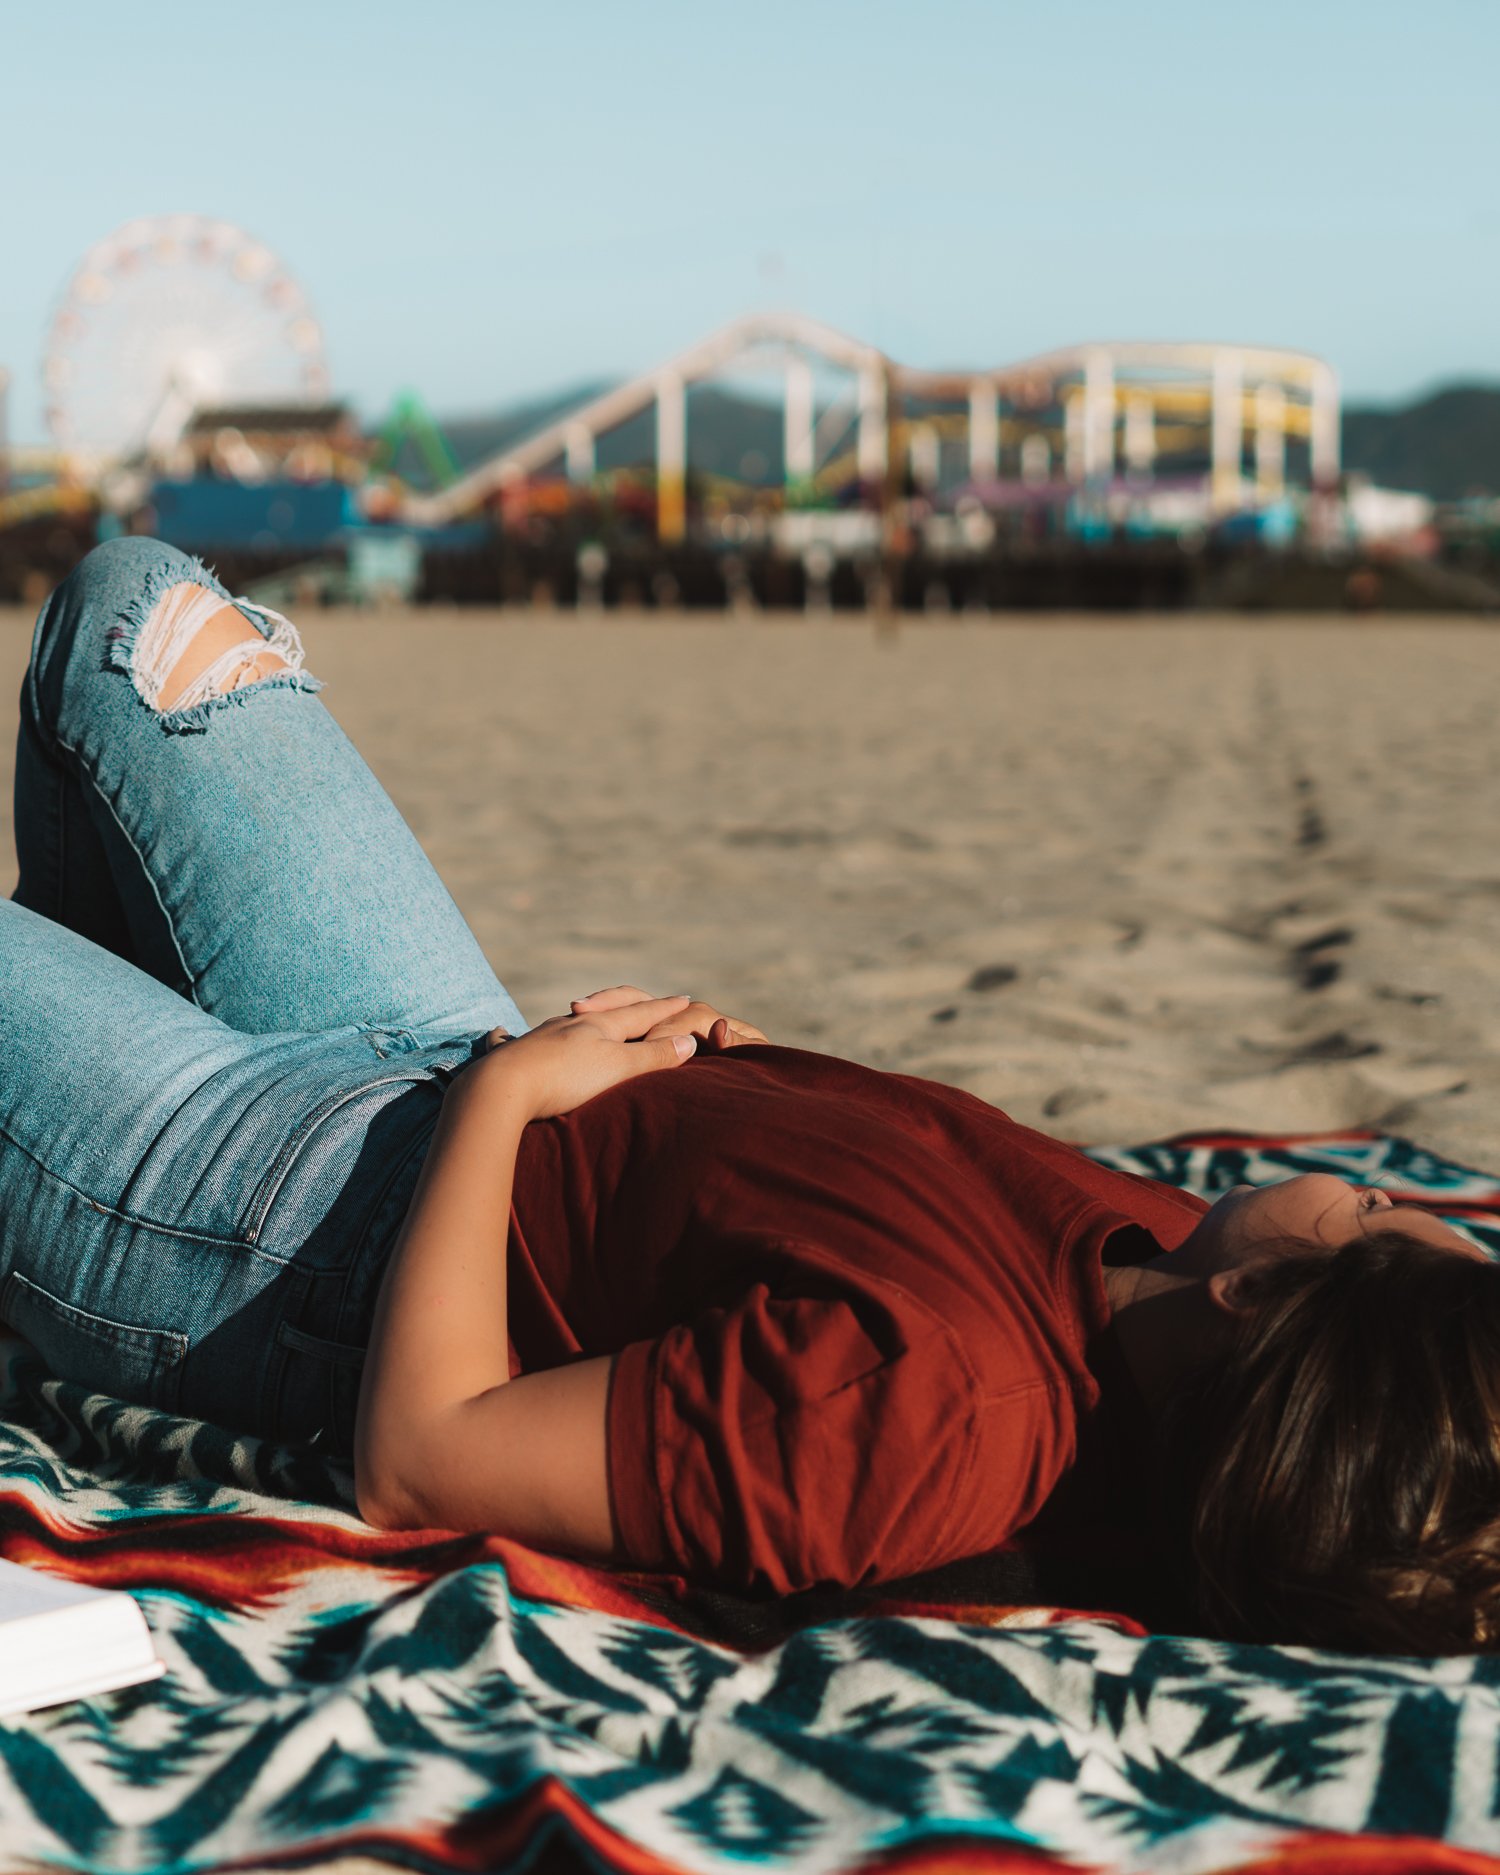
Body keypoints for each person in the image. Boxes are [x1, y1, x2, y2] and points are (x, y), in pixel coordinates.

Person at [6, 538, 1499, 1657]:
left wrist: (507, 1101)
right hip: (438, 1054)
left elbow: (422, 1458)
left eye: (1374, 1211)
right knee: (140, 620)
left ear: (1274, 1307)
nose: (1383, 1192)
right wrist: (779, 1104)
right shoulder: (1175, 1260)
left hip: (291, 1234)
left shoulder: (920, 1428)